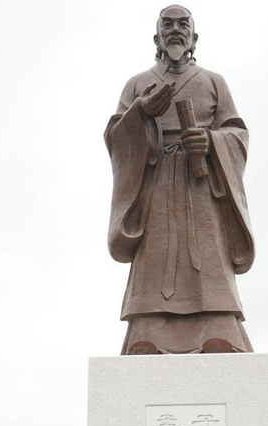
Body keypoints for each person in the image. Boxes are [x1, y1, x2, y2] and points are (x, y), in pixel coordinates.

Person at [105, 4, 256, 355]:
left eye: (183, 24)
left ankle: (219, 328)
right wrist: (140, 113)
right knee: (156, 256)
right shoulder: (138, 84)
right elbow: (116, 137)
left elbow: (236, 134)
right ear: (156, 36)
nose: (175, 30)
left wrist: (211, 142)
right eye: (167, 25)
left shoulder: (213, 81)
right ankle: (147, 331)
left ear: (194, 37)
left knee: (207, 251)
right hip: (156, 182)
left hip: (200, 183)